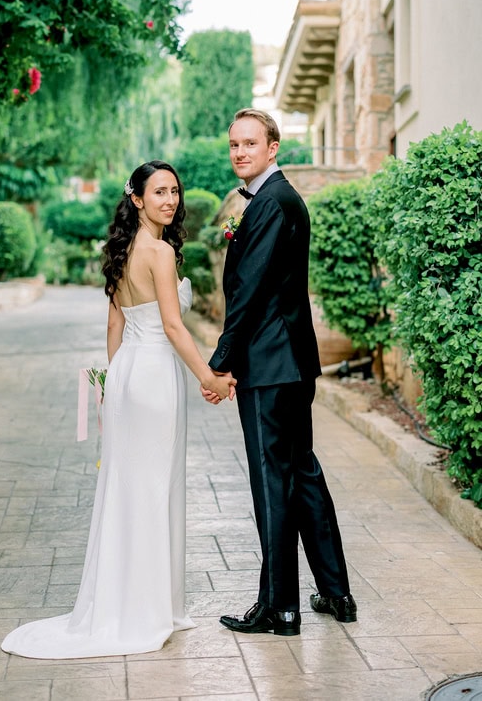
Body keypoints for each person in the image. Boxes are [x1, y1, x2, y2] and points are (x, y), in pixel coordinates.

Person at [1, 160, 235, 659]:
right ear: (137, 199)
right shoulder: (160, 253)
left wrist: (115, 384)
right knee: (153, 487)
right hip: (152, 374)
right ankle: (148, 611)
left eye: (174, 191)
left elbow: (115, 327)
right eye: (158, 193)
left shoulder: (123, 249)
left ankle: (132, 603)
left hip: (128, 371)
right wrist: (208, 377)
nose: (169, 200)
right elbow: (173, 328)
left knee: (128, 486)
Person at [202, 109, 356, 637]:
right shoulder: (277, 199)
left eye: (250, 143)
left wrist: (219, 361)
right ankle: (336, 593)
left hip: (270, 365)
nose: (240, 152)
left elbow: (248, 291)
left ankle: (280, 609)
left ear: (273, 148)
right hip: (290, 362)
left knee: (273, 482)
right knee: (302, 473)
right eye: (233, 144)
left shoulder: (271, 202)